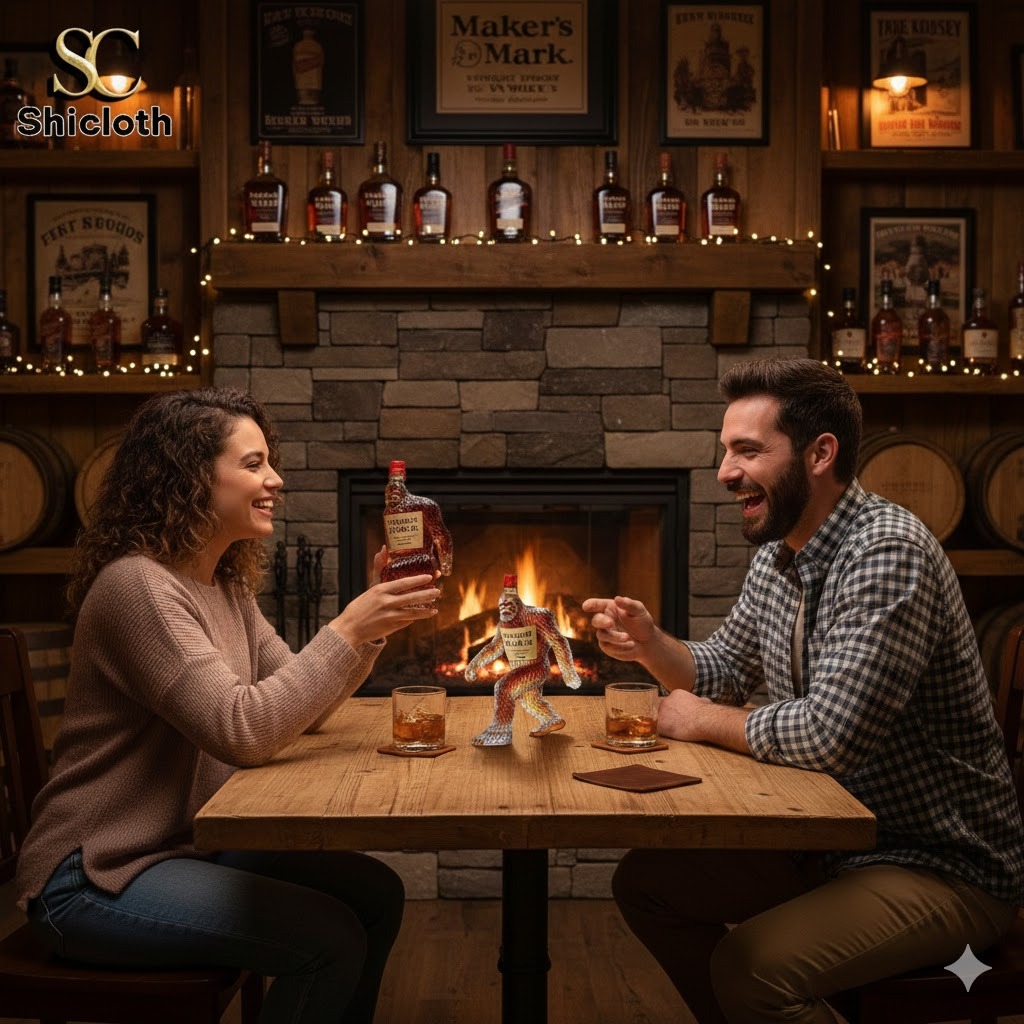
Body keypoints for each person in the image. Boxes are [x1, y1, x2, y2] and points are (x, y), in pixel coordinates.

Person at [583, 358, 1024, 1024]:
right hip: (835, 845)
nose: (726, 472)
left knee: (750, 968)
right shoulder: (781, 552)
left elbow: (828, 737)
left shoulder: (886, 551)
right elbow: (725, 668)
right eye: (725, 451)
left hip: (940, 865)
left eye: (748, 451)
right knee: (648, 885)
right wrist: (651, 644)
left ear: (821, 454)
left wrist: (701, 720)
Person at [15, 387, 440, 1024]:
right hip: (95, 875)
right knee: (330, 940)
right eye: (252, 464)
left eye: (269, 463)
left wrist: (371, 627)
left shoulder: (222, 587)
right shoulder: (138, 589)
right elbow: (242, 730)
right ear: (186, 476)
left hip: (185, 848)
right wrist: (347, 628)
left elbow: (303, 703)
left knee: (375, 893)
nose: (275, 480)